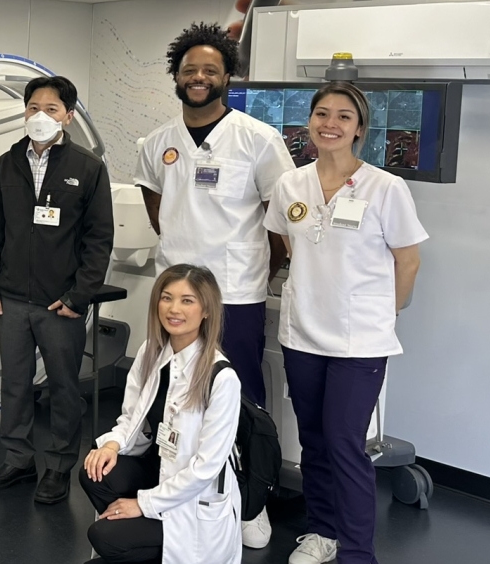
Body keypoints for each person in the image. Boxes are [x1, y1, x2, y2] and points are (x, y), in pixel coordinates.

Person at [132, 22, 293, 547]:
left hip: (236, 292)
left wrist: (258, 274)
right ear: (176, 77)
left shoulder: (258, 140)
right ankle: (174, 490)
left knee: (240, 397)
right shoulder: (156, 143)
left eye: (209, 69)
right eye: (189, 70)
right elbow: (159, 209)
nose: (198, 77)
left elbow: (278, 223)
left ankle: (250, 503)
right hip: (176, 296)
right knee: (174, 394)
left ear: (227, 75)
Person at [264, 82, 427, 564]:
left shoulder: (384, 187)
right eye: (321, 114)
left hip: (360, 341)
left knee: (344, 443)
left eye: (343, 116)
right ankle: (322, 533)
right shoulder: (291, 184)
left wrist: (381, 313)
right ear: (309, 121)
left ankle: (357, 552)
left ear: (359, 128)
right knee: (313, 440)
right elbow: (289, 245)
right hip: (303, 333)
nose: (329, 123)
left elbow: (408, 262)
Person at [0, 76, 113, 504]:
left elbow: (99, 239)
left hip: (61, 303)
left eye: (51, 109)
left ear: (68, 116)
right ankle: (18, 459)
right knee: (15, 383)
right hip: (13, 296)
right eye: (33, 107)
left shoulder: (88, 167)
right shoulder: (8, 162)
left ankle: (57, 465)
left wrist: (80, 296)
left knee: (62, 387)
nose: (40, 115)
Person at [80, 264, 243, 564]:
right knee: (95, 470)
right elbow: (132, 418)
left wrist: (142, 504)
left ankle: (143, 536)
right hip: (157, 471)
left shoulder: (221, 378)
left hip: (193, 499)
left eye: (187, 300)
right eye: (166, 298)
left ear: (206, 310)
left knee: (104, 537)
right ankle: (139, 538)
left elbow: (204, 470)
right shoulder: (151, 352)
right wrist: (112, 444)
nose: (173, 309)